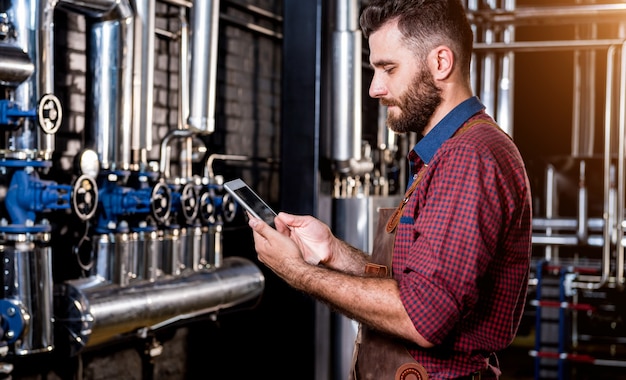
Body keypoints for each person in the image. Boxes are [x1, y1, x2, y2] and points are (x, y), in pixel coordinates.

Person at [247, 0, 532, 378]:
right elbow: (412, 285)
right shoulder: (447, 153)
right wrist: (333, 254)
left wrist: (297, 271)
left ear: (441, 63)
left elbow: (423, 318)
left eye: (388, 69)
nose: (374, 89)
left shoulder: (470, 157)